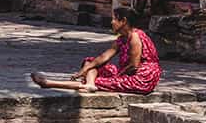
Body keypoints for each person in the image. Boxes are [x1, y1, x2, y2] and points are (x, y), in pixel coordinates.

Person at [31, 6, 162, 94]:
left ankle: (49, 83)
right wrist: (84, 69)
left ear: (123, 21)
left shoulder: (135, 36)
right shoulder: (121, 39)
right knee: (90, 63)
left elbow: (133, 66)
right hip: (127, 73)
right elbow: (104, 57)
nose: (112, 22)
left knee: (101, 81)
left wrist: (117, 76)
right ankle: (90, 84)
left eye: (114, 19)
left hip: (142, 78)